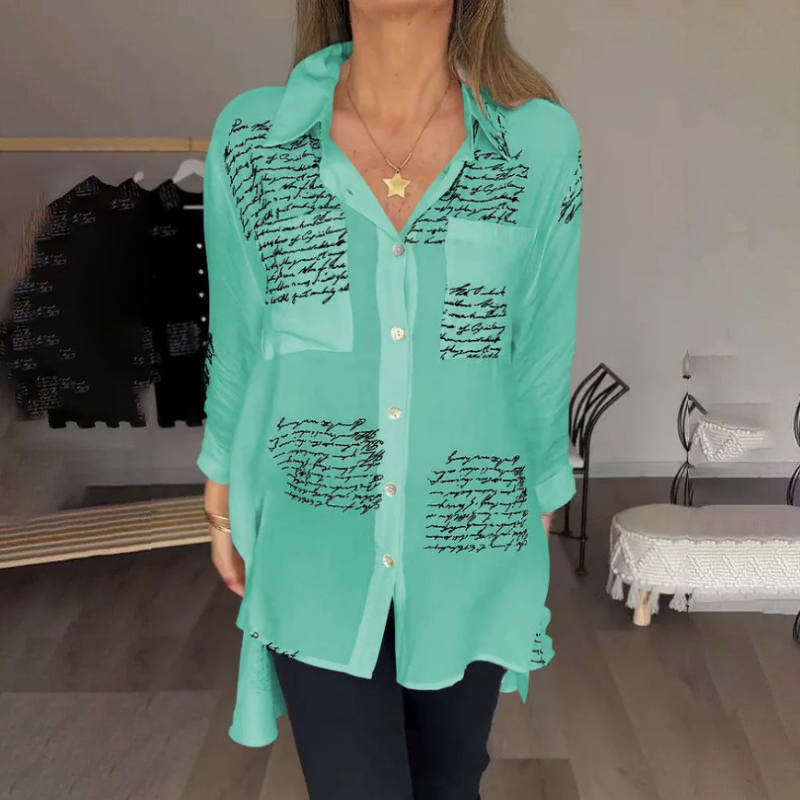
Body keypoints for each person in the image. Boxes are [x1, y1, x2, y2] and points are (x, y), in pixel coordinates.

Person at [199, 1, 583, 798]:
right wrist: (220, 493)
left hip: (470, 540)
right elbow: (237, 338)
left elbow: (541, 352)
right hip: (312, 539)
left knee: (451, 783)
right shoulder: (254, 138)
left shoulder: (536, 145)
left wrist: (541, 506)